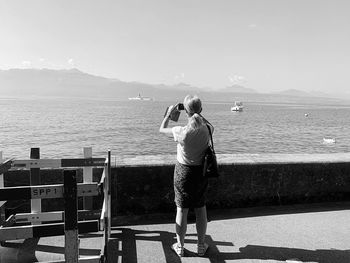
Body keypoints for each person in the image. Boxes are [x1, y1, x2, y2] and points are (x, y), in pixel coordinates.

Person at [159, 94, 213, 257]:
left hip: (183, 172)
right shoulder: (208, 128)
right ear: (201, 110)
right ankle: (201, 246)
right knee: (200, 209)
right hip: (201, 172)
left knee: (181, 209)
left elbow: (161, 130)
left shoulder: (181, 131)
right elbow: (205, 121)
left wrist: (168, 115)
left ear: (186, 111)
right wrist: (196, 111)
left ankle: (180, 247)